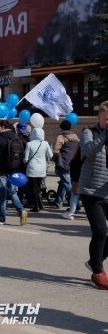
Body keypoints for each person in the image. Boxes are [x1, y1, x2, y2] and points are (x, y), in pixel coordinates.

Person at [78, 101, 108, 290]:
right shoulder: (89, 132)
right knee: (100, 231)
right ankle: (97, 271)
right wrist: (105, 134)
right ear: (99, 117)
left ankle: (94, 260)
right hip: (91, 191)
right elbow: (88, 151)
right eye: (107, 119)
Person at [0, 120, 28, 226]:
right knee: (12, 192)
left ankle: (1, 218)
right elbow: (21, 155)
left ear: (2, 126)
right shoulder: (17, 138)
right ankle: (21, 210)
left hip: (2, 170)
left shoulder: (0, 139)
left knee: (2, 195)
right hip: (14, 170)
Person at [53, 120, 80, 214]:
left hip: (63, 163)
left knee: (67, 184)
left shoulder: (60, 137)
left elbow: (56, 151)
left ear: (61, 127)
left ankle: (75, 203)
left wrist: (54, 159)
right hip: (72, 163)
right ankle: (58, 201)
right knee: (63, 182)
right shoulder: (75, 137)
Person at [24, 127, 53, 213]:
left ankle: (35, 206)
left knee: (33, 188)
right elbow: (50, 155)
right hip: (42, 169)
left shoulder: (29, 144)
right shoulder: (45, 143)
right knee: (39, 187)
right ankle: (40, 204)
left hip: (32, 168)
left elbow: (26, 158)